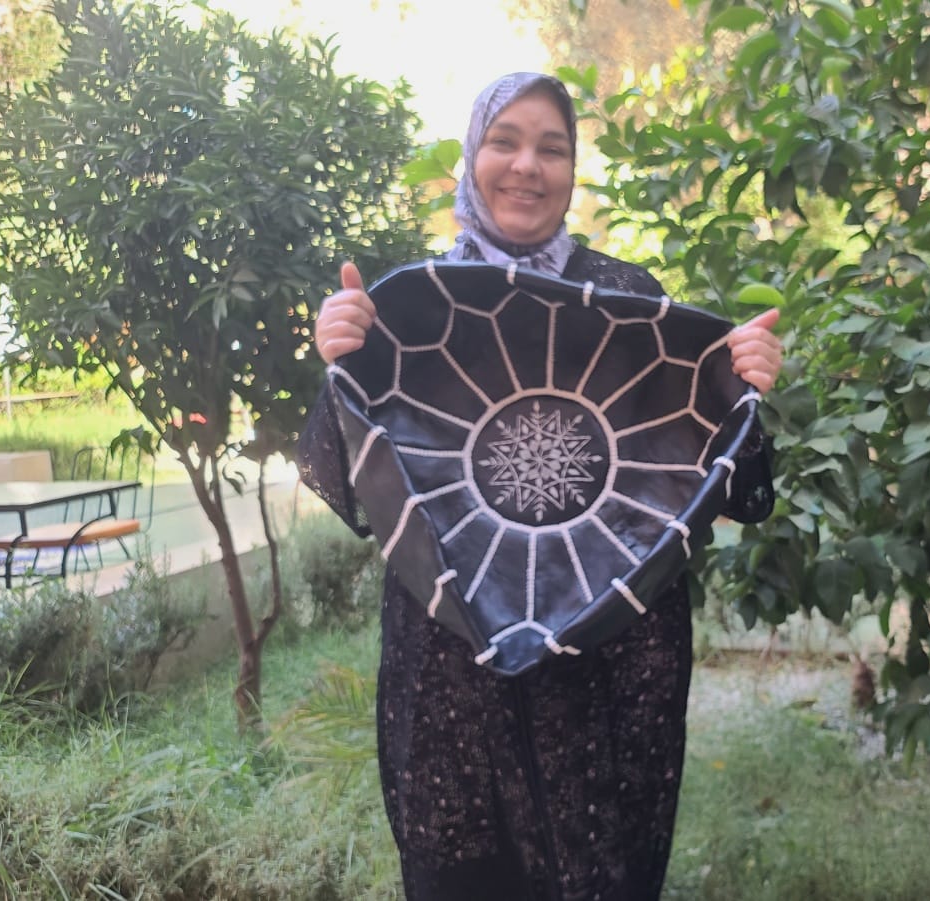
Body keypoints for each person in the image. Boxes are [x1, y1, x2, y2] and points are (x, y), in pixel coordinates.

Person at [298, 72, 782, 900]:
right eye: (505, 141)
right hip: (453, 678)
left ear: (572, 169)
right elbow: (348, 487)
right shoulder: (410, 310)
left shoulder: (630, 299)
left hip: (607, 679)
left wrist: (743, 386)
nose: (527, 166)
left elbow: (736, 487)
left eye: (551, 149)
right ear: (471, 157)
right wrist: (341, 359)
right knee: (464, 873)